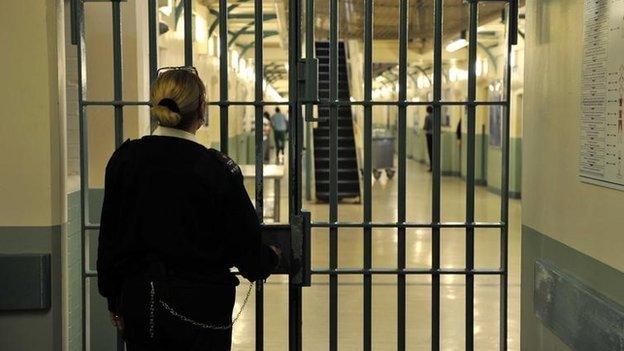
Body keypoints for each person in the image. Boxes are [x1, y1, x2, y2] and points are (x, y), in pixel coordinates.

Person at [97, 66, 281, 351]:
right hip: (202, 312)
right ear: (201, 109)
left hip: (143, 307)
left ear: (156, 105)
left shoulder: (125, 160)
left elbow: (110, 238)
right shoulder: (216, 169)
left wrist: (113, 298)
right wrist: (270, 257)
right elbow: (246, 249)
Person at [423, 105, 434, 172]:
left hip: (429, 135)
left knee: (430, 151)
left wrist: (424, 127)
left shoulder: (427, 117)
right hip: (435, 135)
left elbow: (425, 127)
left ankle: (431, 167)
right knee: (435, 151)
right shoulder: (436, 116)